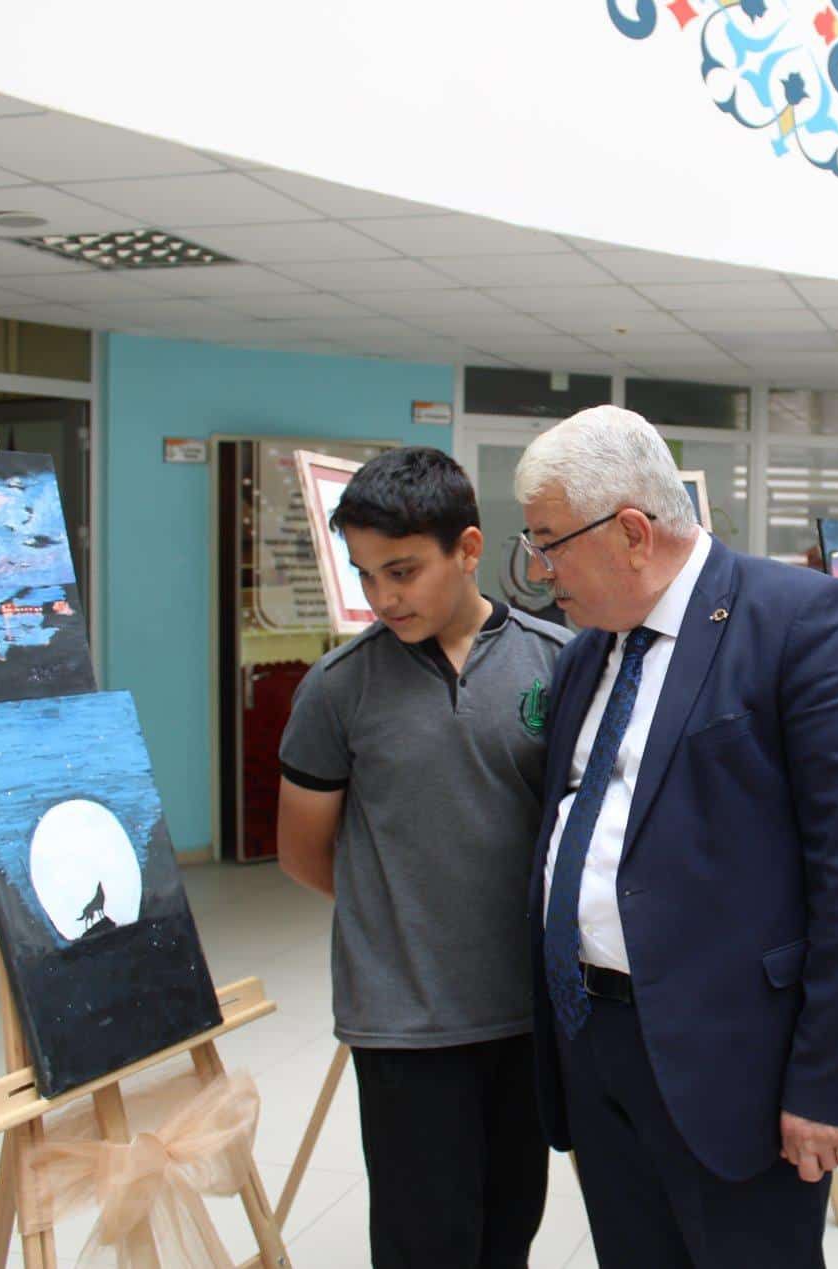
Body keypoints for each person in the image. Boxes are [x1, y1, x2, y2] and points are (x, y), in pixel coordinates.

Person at [515, 405, 838, 1267]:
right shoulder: (588, 653)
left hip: (739, 1059)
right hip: (596, 1036)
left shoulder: (806, 623)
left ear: (631, 532)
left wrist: (829, 1081)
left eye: (548, 544)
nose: (540, 571)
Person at [274, 446, 567, 1269]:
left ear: (468, 549)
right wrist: (402, 907)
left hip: (525, 1010)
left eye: (401, 572)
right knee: (425, 1244)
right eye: (366, 575)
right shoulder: (339, 688)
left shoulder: (556, 661)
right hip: (403, 1022)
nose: (382, 598)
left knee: (509, 1229)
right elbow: (303, 851)